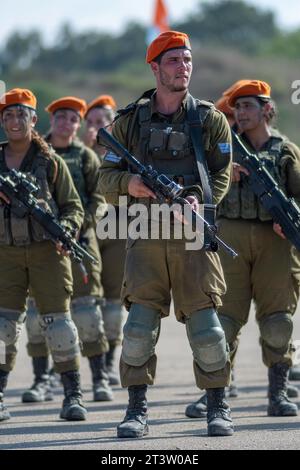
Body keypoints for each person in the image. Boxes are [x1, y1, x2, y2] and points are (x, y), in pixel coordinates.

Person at [98, 30, 234, 438]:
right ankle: (136, 409)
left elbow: (222, 175)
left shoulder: (208, 118)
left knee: (208, 329)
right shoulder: (128, 121)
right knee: (138, 328)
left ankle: (217, 405)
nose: (183, 67)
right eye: (174, 60)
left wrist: (196, 199)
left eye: (187, 60)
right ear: (155, 67)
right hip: (144, 231)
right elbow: (106, 178)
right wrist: (131, 186)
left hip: (193, 231)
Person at [187, 79, 300, 420]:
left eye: (248, 106)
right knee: (222, 322)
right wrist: (223, 174)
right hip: (230, 238)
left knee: (278, 321)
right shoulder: (223, 148)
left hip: (275, 242)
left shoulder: (285, 150)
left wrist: (291, 217)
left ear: (267, 109)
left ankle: (277, 393)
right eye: (237, 107)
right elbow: (197, 185)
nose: (241, 112)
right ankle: (214, 395)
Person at [0, 88, 87, 421]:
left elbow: (73, 206)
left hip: (46, 252)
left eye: (20, 114)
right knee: (3, 327)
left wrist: (66, 229)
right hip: (5, 255)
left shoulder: (50, 161)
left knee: (59, 325)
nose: (14, 121)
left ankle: (72, 395)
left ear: (34, 119)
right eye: (7, 115)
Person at [22, 96, 113, 404]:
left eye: (74, 119)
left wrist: (74, 228)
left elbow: (98, 200)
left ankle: (99, 377)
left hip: (80, 244)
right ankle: (41, 380)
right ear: (51, 120)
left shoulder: (86, 157)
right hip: (39, 247)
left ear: (79, 124)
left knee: (88, 314)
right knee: (38, 318)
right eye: (61, 117)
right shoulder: (34, 154)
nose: (67, 123)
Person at [84, 95, 126, 385]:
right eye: (91, 122)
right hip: (86, 232)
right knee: (84, 303)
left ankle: (109, 364)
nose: (97, 127)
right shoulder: (73, 154)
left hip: (118, 226)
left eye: (103, 121)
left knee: (113, 304)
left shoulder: (127, 152)